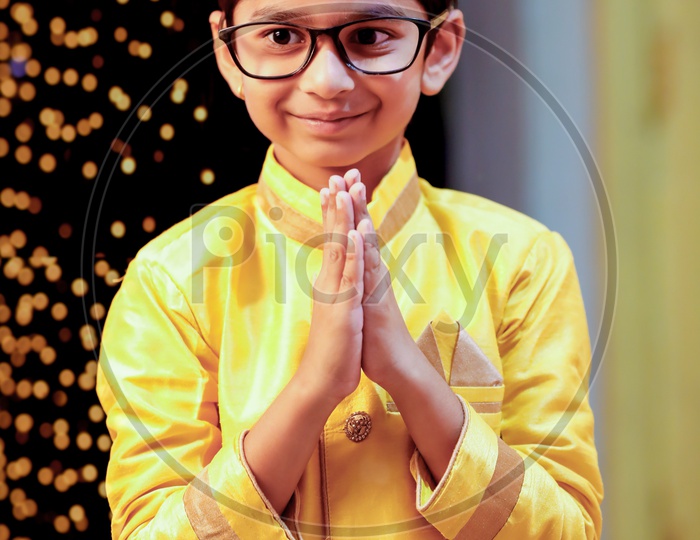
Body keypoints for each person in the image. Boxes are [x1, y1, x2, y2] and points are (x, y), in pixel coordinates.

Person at [96, 0, 604, 538]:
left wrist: (408, 373)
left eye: (368, 35)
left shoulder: (521, 260)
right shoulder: (170, 282)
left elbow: (567, 529)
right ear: (227, 52)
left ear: (440, 48)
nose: (327, 80)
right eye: (281, 37)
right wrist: (314, 387)